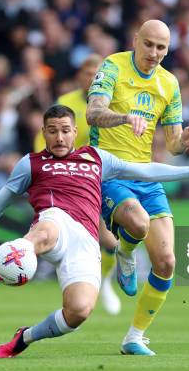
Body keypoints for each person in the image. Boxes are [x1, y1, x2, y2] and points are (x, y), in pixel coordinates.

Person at [0, 105, 189, 358]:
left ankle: (25, 337)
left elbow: (145, 171)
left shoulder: (97, 158)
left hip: (86, 240)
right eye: (52, 131)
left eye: (65, 130)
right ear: (44, 133)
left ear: (75, 132)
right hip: (55, 221)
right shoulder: (31, 164)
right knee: (46, 229)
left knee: (78, 312)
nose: (59, 137)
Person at [85, 19, 189, 355]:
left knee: (167, 262)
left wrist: (185, 140)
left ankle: (134, 337)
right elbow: (93, 113)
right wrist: (124, 118)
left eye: (162, 48)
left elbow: (171, 145)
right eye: (149, 44)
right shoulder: (113, 65)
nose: (155, 53)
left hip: (145, 176)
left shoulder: (169, 83)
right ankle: (125, 251)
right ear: (135, 39)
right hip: (109, 172)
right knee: (137, 223)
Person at [32, 54, 122, 315]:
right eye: (87, 73)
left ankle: (102, 280)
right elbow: (48, 138)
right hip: (74, 181)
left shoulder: (111, 103)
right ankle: (90, 280)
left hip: (105, 174)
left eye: (96, 74)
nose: (91, 78)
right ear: (79, 77)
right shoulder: (66, 103)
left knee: (116, 239)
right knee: (105, 239)